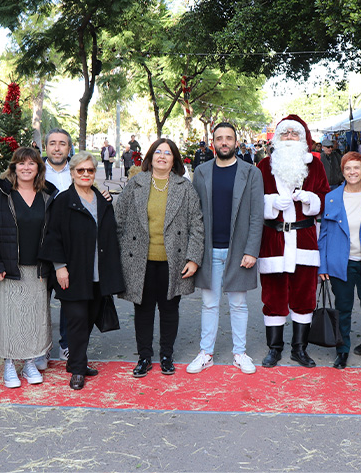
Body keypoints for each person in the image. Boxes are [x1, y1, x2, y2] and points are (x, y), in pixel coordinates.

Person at [115, 138, 204, 377]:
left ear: (174, 159)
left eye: (167, 153)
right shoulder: (136, 183)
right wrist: (117, 256)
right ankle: (144, 357)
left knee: (169, 309)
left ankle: (166, 355)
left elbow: (197, 225)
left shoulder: (184, 187)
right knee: (142, 309)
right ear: (150, 157)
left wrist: (193, 258)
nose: (162, 156)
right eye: (158, 152)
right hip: (139, 260)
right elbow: (118, 220)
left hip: (173, 261)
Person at [40, 153, 126, 390]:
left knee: (88, 321)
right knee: (76, 320)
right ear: (73, 173)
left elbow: (109, 235)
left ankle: (76, 361)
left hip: (99, 274)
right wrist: (60, 268)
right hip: (73, 272)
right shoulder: (63, 201)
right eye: (81, 171)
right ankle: (77, 369)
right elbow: (53, 236)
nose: (86, 174)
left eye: (90, 170)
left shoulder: (102, 199)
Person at [187, 122, 264, 375]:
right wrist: (194, 251)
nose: (224, 142)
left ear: (236, 142)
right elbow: (195, 214)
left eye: (228, 138)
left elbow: (256, 215)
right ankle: (206, 352)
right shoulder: (201, 171)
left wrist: (252, 250)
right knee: (209, 304)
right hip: (209, 251)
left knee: (239, 304)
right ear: (213, 142)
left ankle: (239, 353)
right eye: (219, 138)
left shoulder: (251, 173)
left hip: (238, 251)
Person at [257, 115, 330, 369]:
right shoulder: (265, 165)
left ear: (303, 138)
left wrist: (309, 198)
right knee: (273, 295)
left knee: (304, 294)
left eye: (294, 134)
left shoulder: (316, 166)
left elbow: (324, 197)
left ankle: (300, 348)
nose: (289, 138)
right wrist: (271, 203)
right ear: (277, 138)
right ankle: (274, 349)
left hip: (304, 240)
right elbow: (254, 200)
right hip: (274, 239)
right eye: (285, 133)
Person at [0, 147, 57, 388]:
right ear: (14, 166)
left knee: (34, 319)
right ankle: (8, 364)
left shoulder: (47, 195)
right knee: (7, 317)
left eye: (32, 163)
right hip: (7, 268)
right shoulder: (1, 193)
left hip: (36, 268)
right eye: (21, 163)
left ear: (39, 167)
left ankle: (28, 363)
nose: (26, 167)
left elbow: (54, 233)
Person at [318, 151, 361, 369]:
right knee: (343, 309)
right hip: (341, 262)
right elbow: (324, 233)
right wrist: (323, 265)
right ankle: (342, 350)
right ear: (342, 171)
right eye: (348, 168)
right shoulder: (332, 197)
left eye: (356, 167)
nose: (352, 172)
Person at [43, 128, 74, 363]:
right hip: (40, 244)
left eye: (62, 143)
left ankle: (66, 344)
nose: (57, 148)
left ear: (68, 147)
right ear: (46, 147)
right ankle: (40, 347)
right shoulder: (34, 170)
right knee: (39, 298)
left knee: (68, 298)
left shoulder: (77, 170)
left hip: (69, 246)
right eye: (52, 143)